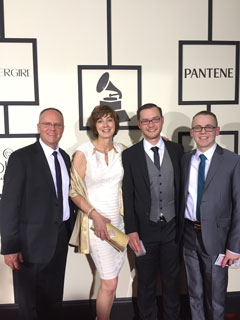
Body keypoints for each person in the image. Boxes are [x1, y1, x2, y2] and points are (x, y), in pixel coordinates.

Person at [0, 108, 74, 320]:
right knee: (29, 306)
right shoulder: (20, 158)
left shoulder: (65, 158)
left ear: (62, 129)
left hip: (59, 239)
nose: (53, 128)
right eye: (47, 124)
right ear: (39, 127)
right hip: (29, 245)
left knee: (53, 301)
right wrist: (10, 247)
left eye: (57, 124)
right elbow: (8, 205)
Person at [122, 103, 183, 320]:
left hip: (172, 229)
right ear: (139, 124)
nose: (151, 124)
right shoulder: (130, 155)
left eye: (155, 119)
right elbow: (127, 195)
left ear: (162, 120)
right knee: (146, 283)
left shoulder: (177, 150)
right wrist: (131, 230)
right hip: (143, 231)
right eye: (146, 120)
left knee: (172, 282)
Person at [181, 110, 240, 320]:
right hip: (189, 235)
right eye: (197, 127)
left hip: (218, 239)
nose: (203, 131)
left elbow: (239, 206)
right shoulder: (185, 159)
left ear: (217, 130)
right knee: (194, 293)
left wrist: (234, 246)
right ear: (192, 132)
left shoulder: (233, 161)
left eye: (208, 127)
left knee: (215, 297)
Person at [69, 105, 126, 320]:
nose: (105, 125)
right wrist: (96, 216)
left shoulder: (123, 150)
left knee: (111, 283)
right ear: (95, 126)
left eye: (109, 120)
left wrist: (163, 142)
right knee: (109, 281)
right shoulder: (83, 152)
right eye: (100, 121)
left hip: (119, 225)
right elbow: (74, 192)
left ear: (115, 124)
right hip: (96, 224)